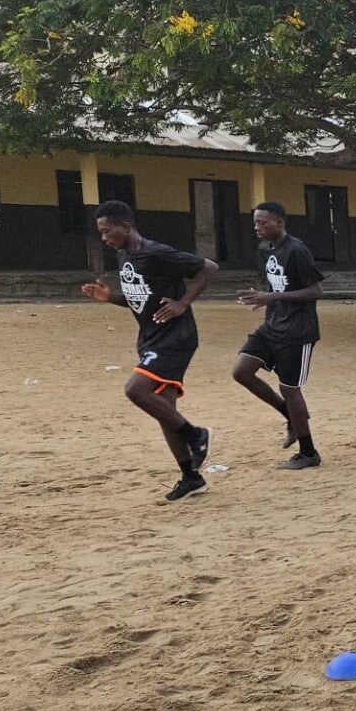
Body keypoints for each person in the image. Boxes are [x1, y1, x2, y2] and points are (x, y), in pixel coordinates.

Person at [81, 200, 219, 502]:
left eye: (107, 231)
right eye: (101, 233)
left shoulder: (156, 252)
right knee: (165, 411)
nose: (104, 238)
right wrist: (111, 297)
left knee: (136, 390)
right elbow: (140, 297)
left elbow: (209, 268)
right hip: (151, 338)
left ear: (125, 227)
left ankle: (196, 435)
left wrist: (183, 303)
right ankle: (191, 477)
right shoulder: (125, 256)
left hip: (176, 338)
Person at [232, 201, 325, 470]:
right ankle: (289, 414)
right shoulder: (265, 249)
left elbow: (316, 291)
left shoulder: (297, 250)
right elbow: (274, 287)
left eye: (263, 222)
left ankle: (308, 452)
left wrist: (272, 297)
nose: (257, 227)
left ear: (280, 223)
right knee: (241, 371)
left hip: (298, 331)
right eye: (255, 222)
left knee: (289, 388)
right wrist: (264, 298)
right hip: (272, 326)